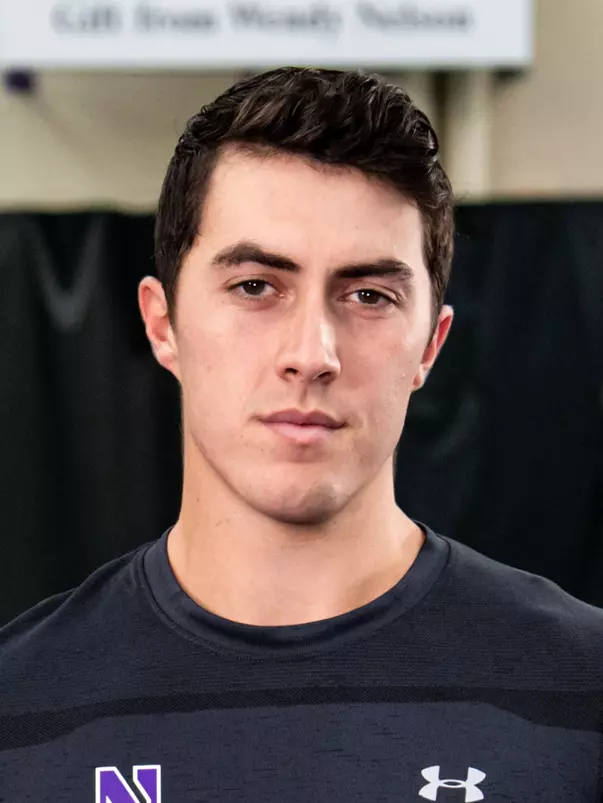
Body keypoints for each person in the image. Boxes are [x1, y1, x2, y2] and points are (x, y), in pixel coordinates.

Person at [1, 67, 602, 803]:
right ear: (163, 324)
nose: (312, 353)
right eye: (256, 285)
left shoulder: (581, 692)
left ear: (429, 346)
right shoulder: (20, 705)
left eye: (368, 295)